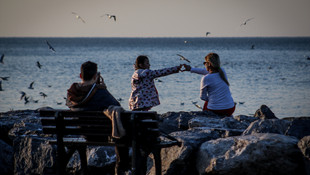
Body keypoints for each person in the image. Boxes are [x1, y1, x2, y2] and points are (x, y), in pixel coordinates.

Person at [66, 61, 129, 175]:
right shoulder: (100, 92)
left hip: (83, 133)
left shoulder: (72, 93)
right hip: (102, 135)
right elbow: (117, 106)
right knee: (123, 134)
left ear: (80, 76)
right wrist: (102, 87)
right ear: (96, 76)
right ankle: (122, 168)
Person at [128, 55, 182, 174]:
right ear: (141, 65)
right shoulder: (144, 73)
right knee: (145, 120)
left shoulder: (136, 73)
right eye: (147, 63)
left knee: (140, 120)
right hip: (141, 103)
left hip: (136, 102)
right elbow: (161, 72)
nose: (149, 65)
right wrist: (177, 68)